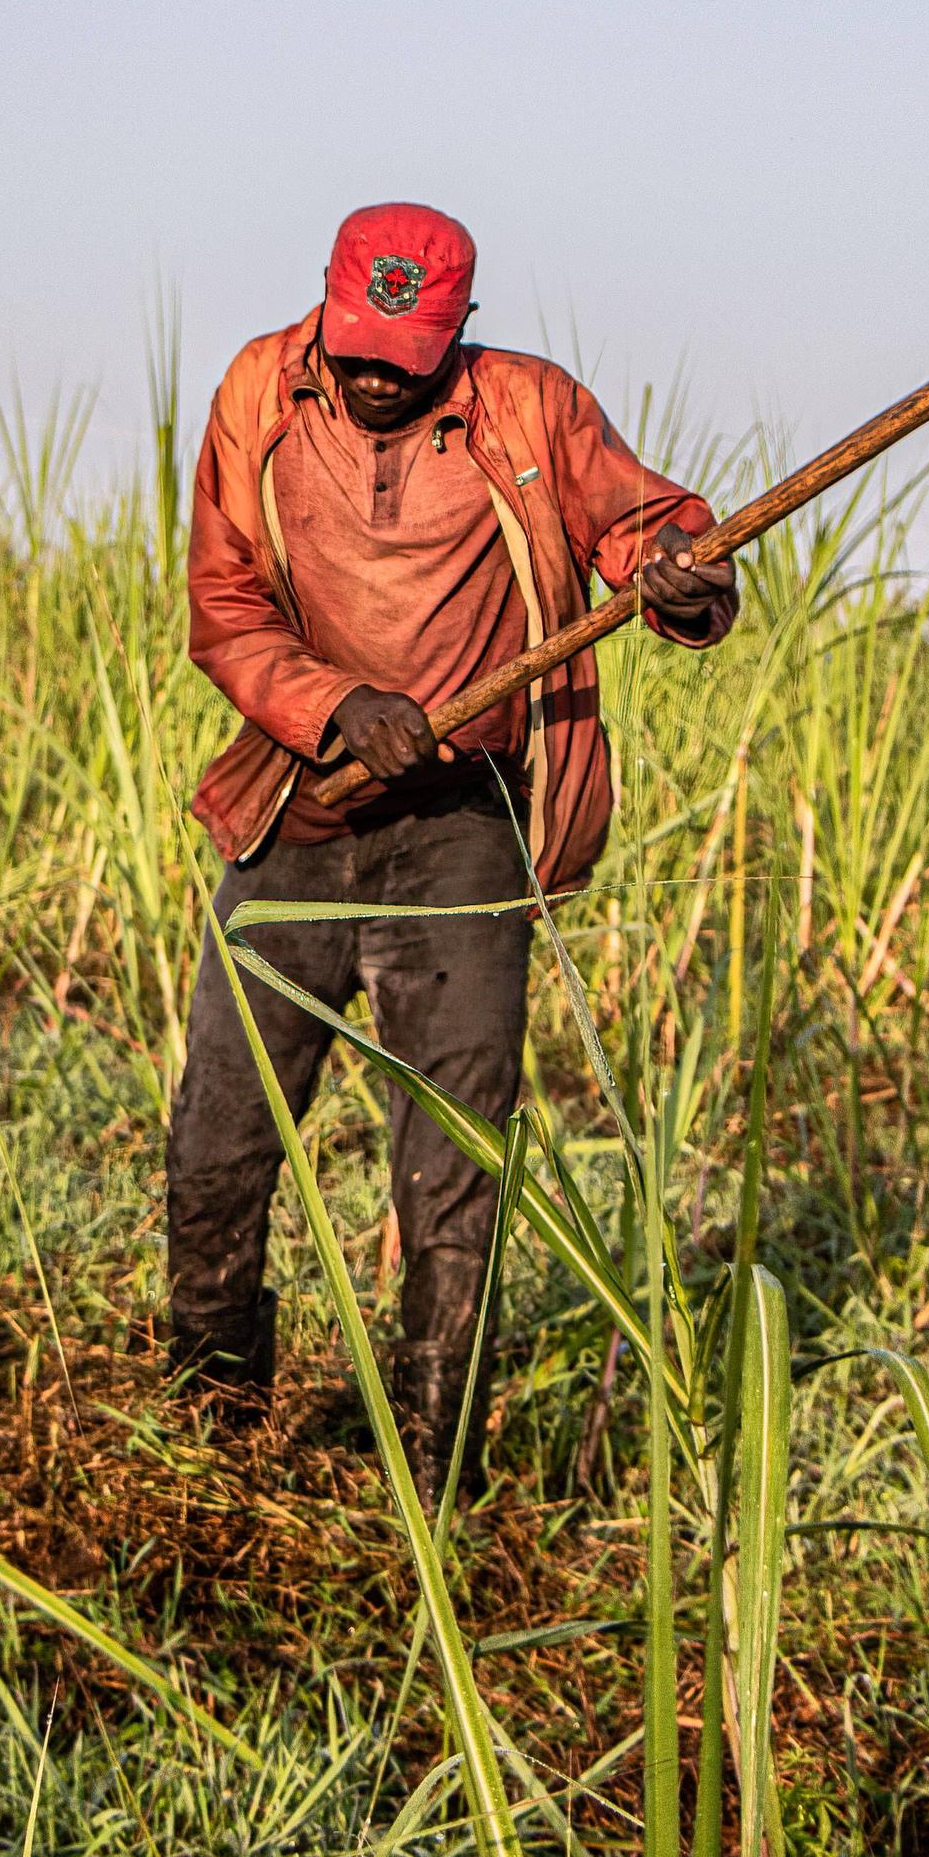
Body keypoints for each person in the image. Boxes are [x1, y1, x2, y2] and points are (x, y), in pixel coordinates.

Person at [168, 201, 738, 1480]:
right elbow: (224, 604)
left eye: (405, 354)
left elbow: (654, 532)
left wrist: (685, 573)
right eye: (358, 343)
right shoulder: (259, 389)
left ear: (458, 336)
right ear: (325, 304)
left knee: (454, 1160)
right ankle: (204, 1430)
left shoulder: (530, 409)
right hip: (298, 813)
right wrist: (333, 707)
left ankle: (435, 1459)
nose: (375, 373)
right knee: (220, 1131)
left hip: (463, 832)